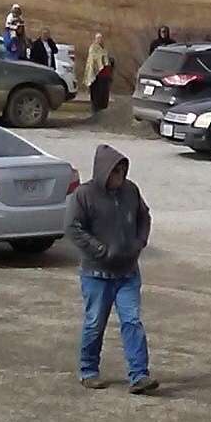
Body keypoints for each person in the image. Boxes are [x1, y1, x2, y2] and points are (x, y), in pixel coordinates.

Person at [64, 145, 156, 395]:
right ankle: (88, 370)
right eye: (116, 172)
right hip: (96, 275)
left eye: (123, 172)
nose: (120, 177)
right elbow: (73, 228)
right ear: (104, 172)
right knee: (95, 323)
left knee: (132, 321)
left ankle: (139, 375)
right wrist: (100, 250)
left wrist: (139, 243)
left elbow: (144, 217)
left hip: (127, 273)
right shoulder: (85, 195)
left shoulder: (131, 191)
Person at [85, 32, 113, 119]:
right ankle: (95, 112)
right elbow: (93, 60)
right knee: (97, 94)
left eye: (101, 38)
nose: (100, 40)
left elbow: (107, 59)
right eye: (98, 38)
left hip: (105, 75)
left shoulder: (104, 49)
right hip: (96, 75)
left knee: (104, 95)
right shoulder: (93, 48)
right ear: (95, 39)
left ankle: (103, 111)